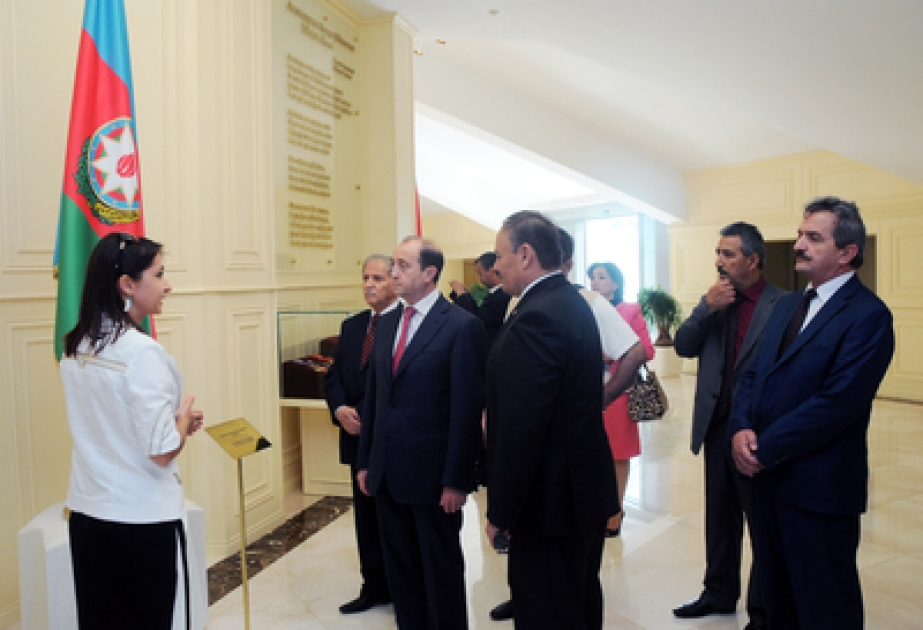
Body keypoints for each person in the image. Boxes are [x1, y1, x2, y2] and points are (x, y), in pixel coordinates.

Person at [730, 197, 894, 629]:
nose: (799, 244)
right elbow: (750, 374)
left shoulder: (869, 316)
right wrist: (741, 426)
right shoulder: (787, 305)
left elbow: (837, 403)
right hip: (767, 483)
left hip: (819, 490)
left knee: (824, 604)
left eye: (813, 238)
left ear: (847, 252)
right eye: (801, 234)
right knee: (777, 600)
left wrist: (765, 446)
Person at [487, 228, 645, 623]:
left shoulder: (539, 314)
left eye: (499, 255)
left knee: (548, 610)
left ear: (525, 255)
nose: (495, 265)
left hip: (550, 502)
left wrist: (501, 511)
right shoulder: (569, 302)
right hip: (578, 493)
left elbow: (525, 426)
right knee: (578, 603)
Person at [61, 232, 204, 630]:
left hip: (89, 517)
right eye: (159, 274)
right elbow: (161, 450)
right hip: (139, 523)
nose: (167, 285)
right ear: (127, 284)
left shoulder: (76, 345)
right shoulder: (142, 353)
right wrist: (183, 419)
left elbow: (105, 423)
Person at [357, 236, 486, 629]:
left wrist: (456, 480)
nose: (394, 273)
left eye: (403, 266)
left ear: (430, 274)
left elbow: (465, 411)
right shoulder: (389, 321)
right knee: (403, 576)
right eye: (394, 264)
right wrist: (365, 461)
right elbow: (375, 399)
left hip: (434, 479)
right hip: (387, 474)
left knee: (440, 575)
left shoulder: (462, 326)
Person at [671, 222, 786, 629]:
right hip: (717, 426)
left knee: (762, 525)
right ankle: (719, 593)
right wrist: (706, 307)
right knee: (719, 518)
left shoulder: (783, 305)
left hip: (758, 433)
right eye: (717, 254)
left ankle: (763, 611)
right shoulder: (715, 302)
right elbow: (683, 345)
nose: (719, 262)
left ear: (753, 261)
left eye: (729, 255)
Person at [324, 254, 398, 614]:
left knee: (394, 520)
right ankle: (373, 587)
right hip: (354, 438)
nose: (370, 284)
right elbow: (334, 376)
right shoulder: (353, 325)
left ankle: (402, 589)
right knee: (365, 519)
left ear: (395, 282)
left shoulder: (404, 324)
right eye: (366, 277)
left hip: (389, 441)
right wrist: (340, 410)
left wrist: (368, 416)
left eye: (379, 278)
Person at [588, 261, 656, 537]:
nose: (595, 283)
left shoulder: (630, 310)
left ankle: (615, 512)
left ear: (615, 283)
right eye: (592, 278)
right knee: (592, 453)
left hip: (618, 391)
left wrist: (612, 354)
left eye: (602, 278)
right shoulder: (585, 309)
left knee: (617, 454)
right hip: (588, 391)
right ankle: (596, 506)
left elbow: (646, 349)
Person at [449, 251, 512, 353]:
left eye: (480, 273)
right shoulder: (496, 295)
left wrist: (462, 295)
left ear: (492, 271)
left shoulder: (502, 296)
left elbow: (477, 320)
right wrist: (465, 295)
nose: (479, 279)